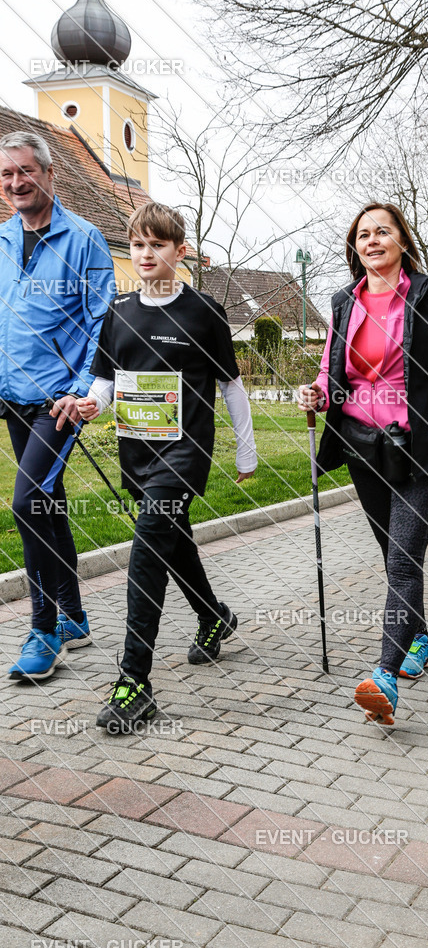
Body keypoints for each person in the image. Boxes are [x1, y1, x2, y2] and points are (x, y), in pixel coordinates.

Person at [298, 202, 428, 727]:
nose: (371, 240)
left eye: (382, 231)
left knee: (403, 559)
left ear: (402, 241)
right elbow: (329, 372)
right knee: (395, 556)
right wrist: (316, 394)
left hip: (422, 451)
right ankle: (421, 637)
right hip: (365, 448)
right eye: (362, 234)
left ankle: (383, 677)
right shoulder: (344, 302)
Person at [76, 203, 257, 733]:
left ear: (180, 252)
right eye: (137, 245)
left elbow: (231, 386)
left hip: (185, 453)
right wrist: (92, 404)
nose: (145, 254)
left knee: (148, 550)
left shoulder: (204, 312)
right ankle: (213, 616)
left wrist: (246, 453)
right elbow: (106, 379)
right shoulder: (119, 310)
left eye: (157, 245)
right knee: (174, 542)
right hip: (136, 452)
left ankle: (135, 682)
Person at [0, 131, 116, 682]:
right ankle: (74, 614)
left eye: (25, 171)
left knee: (27, 504)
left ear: (49, 175)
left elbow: (102, 321)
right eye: (6, 175)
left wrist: (89, 388)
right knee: (49, 504)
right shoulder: (1, 239)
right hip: (10, 396)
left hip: (57, 401)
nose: (16, 182)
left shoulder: (84, 238)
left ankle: (44, 628)